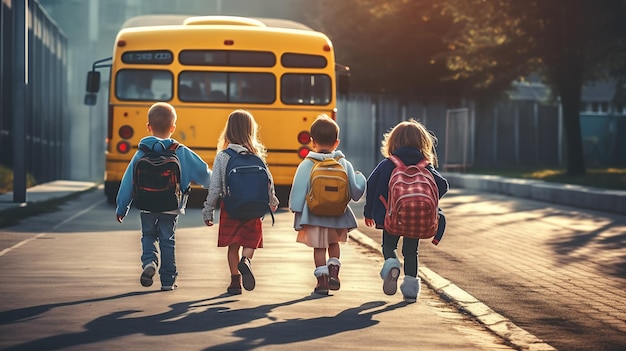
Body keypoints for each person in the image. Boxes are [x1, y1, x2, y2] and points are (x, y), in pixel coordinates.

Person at [116, 102, 212, 291]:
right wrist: (217, 187)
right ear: (173, 127)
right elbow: (204, 174)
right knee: (168, 240)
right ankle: (168, 281)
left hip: (147, 203)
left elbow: (128, 182)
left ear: (148, 127)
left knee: (148, 235)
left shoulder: (141, 152)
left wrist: (122, 207)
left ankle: (149, 261)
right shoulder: (180, 151)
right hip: (171, 204)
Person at [363, 119, 448, 302]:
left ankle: (392, 264)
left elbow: (371, 185)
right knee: (411, 252)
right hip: (417, 218)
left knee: (388, 246)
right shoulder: (426, 165)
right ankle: (410, 291)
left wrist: (369, 212)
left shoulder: (388, 163)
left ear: (393, 142)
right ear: (422, 143)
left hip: (391, 216)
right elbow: (443, 185)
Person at [202, 109, 279, 295]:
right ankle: (246, 260)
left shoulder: (223, 156)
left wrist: (208, 210)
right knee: (251, 241)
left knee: (232, 245)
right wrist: (272, 200)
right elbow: (268, 181)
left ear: (228, 131)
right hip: (254, 208)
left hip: (231, 207)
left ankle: (235, 282)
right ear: (250, 131)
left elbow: (215, 187)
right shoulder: (256, 156)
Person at [289, 114, 367, 295]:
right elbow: (355, 192)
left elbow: (298, 192)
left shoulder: (307, 163)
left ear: (312, 141)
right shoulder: (343, 163)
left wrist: (297, 213)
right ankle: (334, 271)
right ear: (336, 142)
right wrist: (361, 178)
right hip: (337, 215)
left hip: (314, 215)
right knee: (334, 244)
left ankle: (322, 281)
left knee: (319, 248)